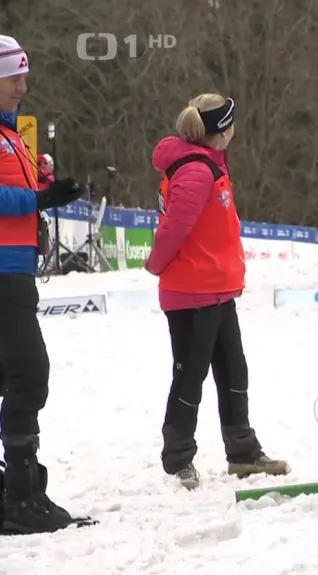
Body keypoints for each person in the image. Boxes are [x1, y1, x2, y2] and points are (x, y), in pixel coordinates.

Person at [145, 93, 288, 490]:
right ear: (221, 131)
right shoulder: (195, 171)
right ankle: (178, 458)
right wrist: (156, 264)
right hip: (193, 290)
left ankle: (242, 452)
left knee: (233, 370)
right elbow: (174, 229)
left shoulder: (210, 164)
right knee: (190, 376)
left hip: (217, 288)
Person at [0, 34, 91, 534]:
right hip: (3, 277)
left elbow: (16, 191)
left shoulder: (11, 134)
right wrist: (41, 201)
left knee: (13, 378)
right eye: (14, 77)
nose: (23, 86)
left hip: (15, 272)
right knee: (29, 377)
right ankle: (22, 497)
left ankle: (19, 489)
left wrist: (47, 188)